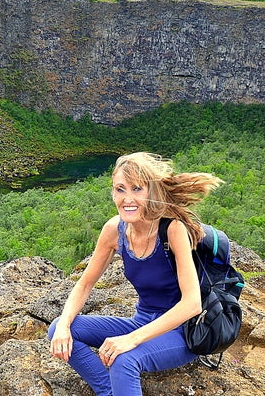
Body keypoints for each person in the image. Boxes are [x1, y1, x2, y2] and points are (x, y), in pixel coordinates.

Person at [48, 152, 223, 395]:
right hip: (142, 320)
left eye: (137, 189)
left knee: (124, 358)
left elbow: (192, 304)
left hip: (180, 332)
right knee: (57, 327)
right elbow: (85, 283)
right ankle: (110, 390)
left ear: (150, 192)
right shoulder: (114, 230)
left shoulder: (172, 230)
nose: (127, 199)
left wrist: (132, 339)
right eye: (120, 189)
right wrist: (65, 325)